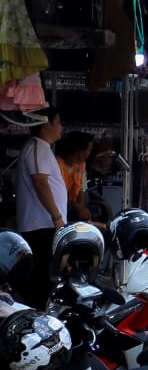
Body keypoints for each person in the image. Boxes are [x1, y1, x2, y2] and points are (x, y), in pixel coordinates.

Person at [16, 107, 66, 306]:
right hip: (41, 226)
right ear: (46, 124)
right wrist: (56, 217)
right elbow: (40, 182)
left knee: (46, 276)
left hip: (45, 225)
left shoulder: (42, 147)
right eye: (58, 122)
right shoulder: (37, 146)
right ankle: (36, 315)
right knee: (41, 277)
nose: (61, 128)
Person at [55, 131, 95, 225]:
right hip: (59, 212)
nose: (90, 153)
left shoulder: (81, 165)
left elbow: (82, 189)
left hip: (73, 210)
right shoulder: (56, 164)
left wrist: (80, 208)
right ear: (80, 152)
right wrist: (77, 207)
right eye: (89, 150)